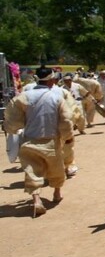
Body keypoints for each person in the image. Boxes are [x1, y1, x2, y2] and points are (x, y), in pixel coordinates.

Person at [4, 67, 74, 217]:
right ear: (51, 80)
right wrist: (67, 136)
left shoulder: (24, 97)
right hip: (51, 141)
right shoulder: (56, 98)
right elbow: (66, 120)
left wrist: (13, 129)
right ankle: (56, 193)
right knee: (57, 170)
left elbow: (12, 118)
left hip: (29, 140)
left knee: (32, 172)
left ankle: (37, 200)